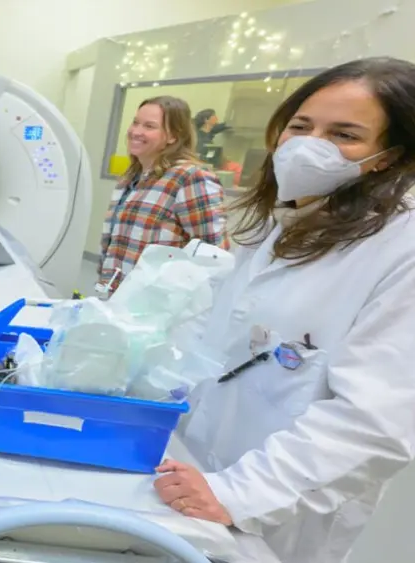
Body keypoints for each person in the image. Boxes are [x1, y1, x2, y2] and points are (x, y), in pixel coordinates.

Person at [153, 57, 415, 563]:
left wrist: (238, 494)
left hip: (275, 511)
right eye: (300, 126)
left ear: (387, 155)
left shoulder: (400, 247)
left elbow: (375, 422)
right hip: (195, 475)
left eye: (344, 134)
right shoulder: (287, 220)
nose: (309, 145)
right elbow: (223, 345)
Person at [99, 96, 228, 294]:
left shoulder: (191, 178)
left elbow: (214, 256)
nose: (136, 132)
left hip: (157, 306)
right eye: (136, 123)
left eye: (149, 126)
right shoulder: (130, 178)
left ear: (173, 136)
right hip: (117, 297)